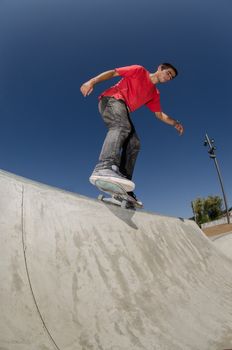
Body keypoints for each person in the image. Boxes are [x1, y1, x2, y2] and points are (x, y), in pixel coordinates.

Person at [80, 64, 184, 206]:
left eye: (171, 77)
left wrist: (175, 123)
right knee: (122, 125)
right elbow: (113, 73)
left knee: (134, 143)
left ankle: (123, 188)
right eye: (168, 73)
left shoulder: (154, 93)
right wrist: (91, 81)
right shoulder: (139, 70)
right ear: (160, 68)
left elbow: (159, 114)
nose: (168, 78)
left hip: (123, 109)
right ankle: (104, 166)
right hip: (111, 100)